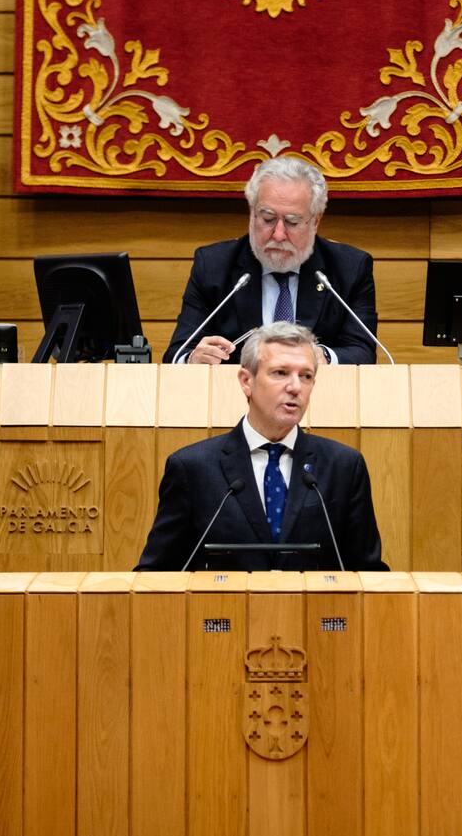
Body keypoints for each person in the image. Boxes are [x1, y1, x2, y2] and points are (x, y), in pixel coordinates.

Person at [138, 322, 387, 572]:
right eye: (280, 373)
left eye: (306, 376)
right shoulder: (193, 468)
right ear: (246, 381)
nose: (295, 387)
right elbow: (155, 574)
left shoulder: (343, 466)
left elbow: (368, 574)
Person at [162, 156, 378, 365]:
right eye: (268, 218)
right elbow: (177, 353)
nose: (278, 234)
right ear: (252, 214)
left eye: (292, 222)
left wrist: (325, 357)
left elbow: (363, 352)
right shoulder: (213, 265)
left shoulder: (350, 268)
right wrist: (192, 358)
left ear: (315, 221)